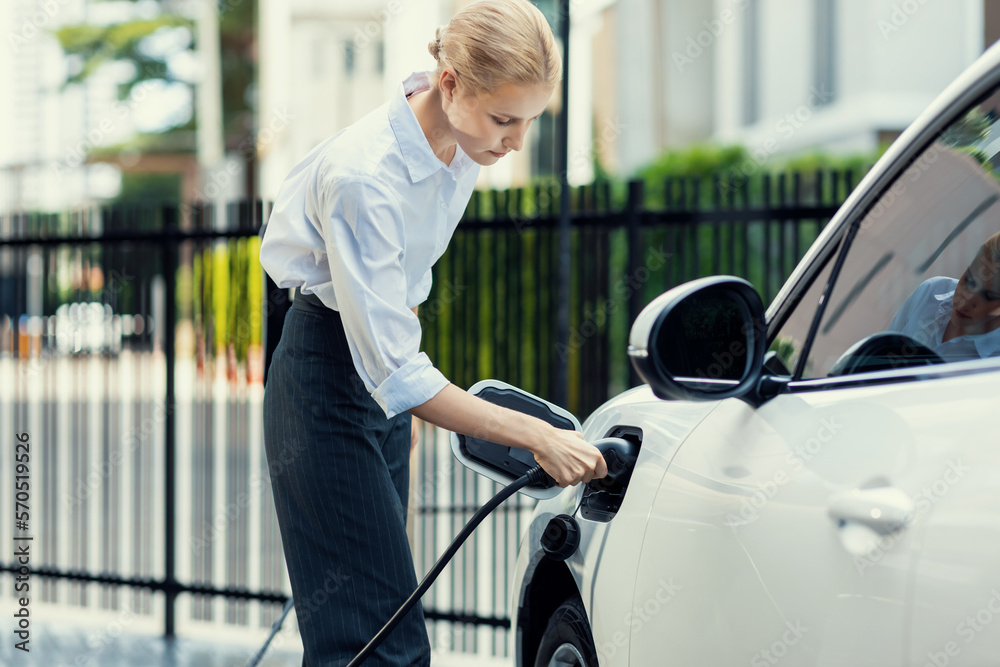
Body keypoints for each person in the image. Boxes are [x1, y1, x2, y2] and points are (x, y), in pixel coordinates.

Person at [258, 1, 608, 665]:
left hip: (371, 378)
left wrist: (404, 413)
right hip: (324, 383)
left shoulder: (461, 142)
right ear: (448, 81)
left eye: (531, 120)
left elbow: (396, 303)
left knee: (371, 628)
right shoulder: (365, 177)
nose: (515, 142)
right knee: (377, 647)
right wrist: (535, 433)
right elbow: (398, 373)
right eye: (505, 119)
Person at [888, 230, 1000, 360]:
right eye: (969, 281)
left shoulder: (994, 362)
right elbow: (877, 352)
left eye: (987, 296)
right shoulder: (930, 292)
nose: (966, 301)